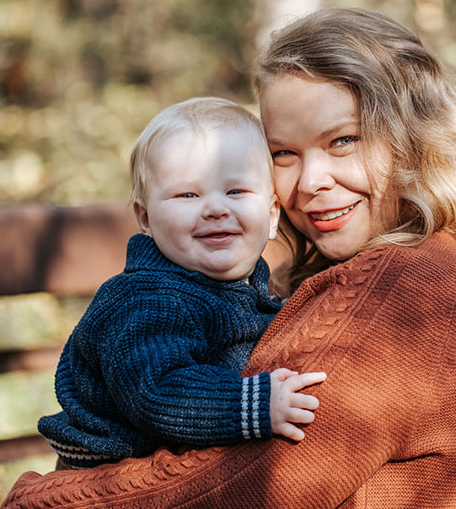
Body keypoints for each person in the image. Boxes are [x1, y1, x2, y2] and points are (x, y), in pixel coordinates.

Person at [0, 7, 456, 509]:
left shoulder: (410, 284)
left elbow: (238, 493)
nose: (310, 182)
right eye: (283, 153)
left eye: (343, 141)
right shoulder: (426, 270)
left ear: (413, 137)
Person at [37, 97, 327, 469]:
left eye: (236, 191)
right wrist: (255, 404)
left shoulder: (243, 290)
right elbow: (156, 391)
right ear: (145, 218)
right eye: (188, 194)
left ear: (272, 215)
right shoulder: (146, 299)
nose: (215, 208)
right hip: (110, 470)